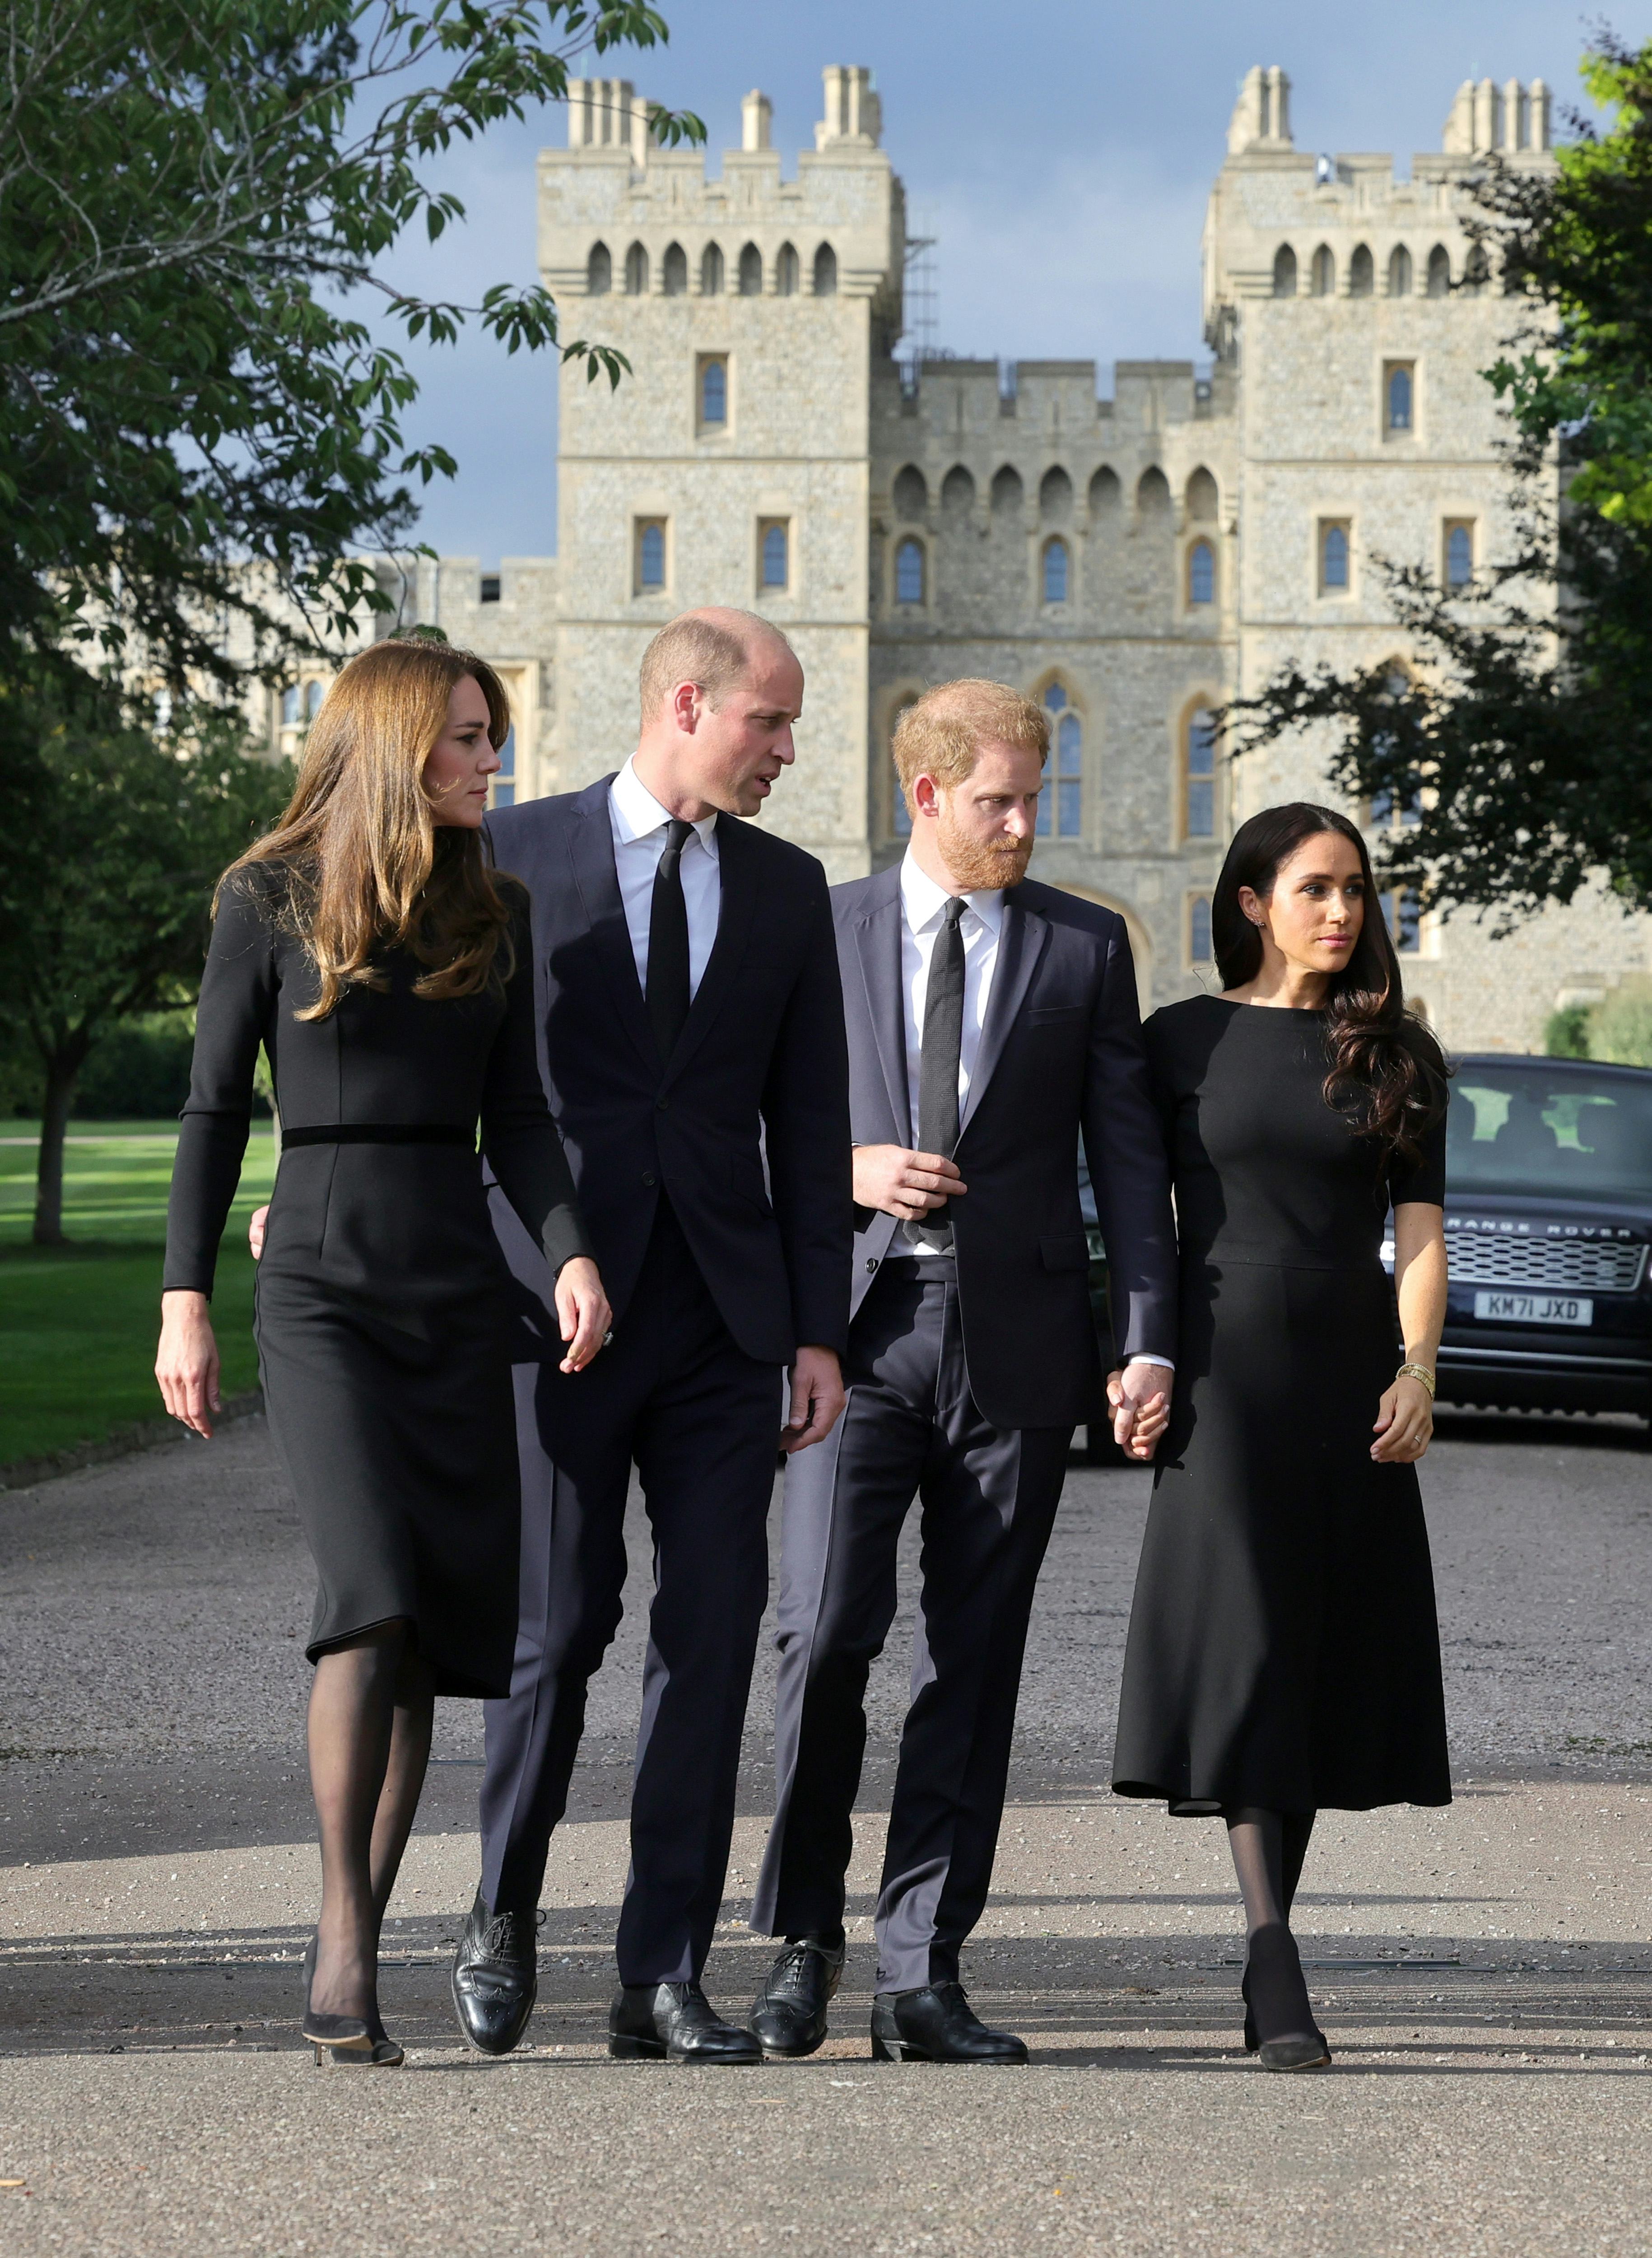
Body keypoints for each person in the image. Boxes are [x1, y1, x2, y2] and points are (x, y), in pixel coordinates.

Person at [157, 639, 610, 2068]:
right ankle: (344, 1944)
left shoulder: (499, 904)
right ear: (399, 743)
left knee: (428, 1625)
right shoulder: (267, 893)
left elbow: (523, 1113)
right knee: (367, 1591)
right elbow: (214, 1110)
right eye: (468, 738)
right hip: (321, 1288)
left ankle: (360, 1918)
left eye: (493, 736)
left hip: (455, 1287)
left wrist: (571, 1249)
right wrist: (183, 1297)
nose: (493, 760)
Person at [746, 678, 1178, 2065]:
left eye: (1032, 797)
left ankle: (920, 1969)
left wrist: (1145, 1332)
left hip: (1021, 1351)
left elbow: (1128, 1157)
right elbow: (729, 1130)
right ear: (924, 796)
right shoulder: (819, 929)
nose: (1022, 823)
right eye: (997, 799)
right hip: (852, 1343)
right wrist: (843, 1170)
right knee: (819, 1637)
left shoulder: (1083, 947)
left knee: (973, 1664)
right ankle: (802, 1941)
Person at [448, 607, 852, 2067]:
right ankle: (498, 1912)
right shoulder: (512, 859)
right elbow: (464, 1094)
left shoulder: (789, 888)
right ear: (688, 703)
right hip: (553, 1310)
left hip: (728, 1321)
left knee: (711, 1632)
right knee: (555, 1633)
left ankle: (660, 1970)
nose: (789, 753)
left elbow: (810, 1132)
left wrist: (819, 1331)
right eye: (772, 724)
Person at [1111, 802, 1452, 2073]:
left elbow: (1418, 1233)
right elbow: (1133, 1207)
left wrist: (1418, 1369)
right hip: (1220, 1374)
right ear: (1250, 899)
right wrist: (1129, 1351)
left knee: (1308, 1655)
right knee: (1250, 1644)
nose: (1341, 911)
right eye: (1315, 888)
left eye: (1355, 890)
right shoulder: (1175, 1042)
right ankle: (1272, 1955)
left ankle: (1271, 1942)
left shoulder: (1396, 1052)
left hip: (1349, 1374)